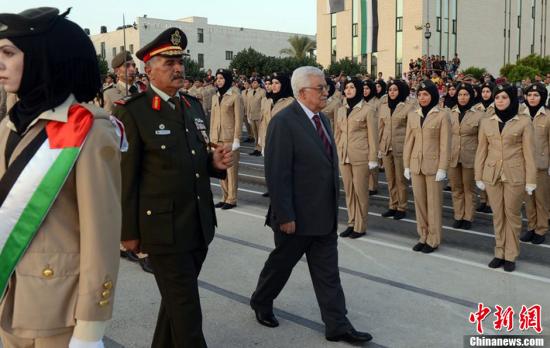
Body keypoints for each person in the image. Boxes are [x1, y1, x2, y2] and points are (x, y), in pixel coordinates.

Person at [0, 7, 123, 348]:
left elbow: (101, 236)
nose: (0, 64)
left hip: (58, 312)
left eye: (9, 53)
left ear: (43, 57)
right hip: (8, 300)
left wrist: (90, 330)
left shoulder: (90, 131)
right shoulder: (9, 125)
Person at [115, 27, 233, 347]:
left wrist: (214, 165)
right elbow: (125, 177)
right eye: (168, 62)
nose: (178, 67)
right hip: (163, 230)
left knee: (174, 304)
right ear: (148, 68)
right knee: (187, 313)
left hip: (197, 223)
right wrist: (127, 232)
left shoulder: (192, 106)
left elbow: (194, 160)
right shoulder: (132, 110)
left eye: (180, 60)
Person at [250, 66, 372, 344]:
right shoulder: (283, 122)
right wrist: (284, 214)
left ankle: (337, 324)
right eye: (321, 88)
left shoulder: (323, 120)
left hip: (324, 215)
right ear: (303, 92)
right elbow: (277, 173)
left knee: (328, 274)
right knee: (281, 265)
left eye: (326, 86)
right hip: (296, 217)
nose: (326, 91)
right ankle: (261, 300)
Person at [475, 84, 536, 272]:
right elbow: (481, 151)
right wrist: (479, 175)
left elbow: (529, 153)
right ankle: (499, 252)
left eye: (504, 97)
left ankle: (511, 255)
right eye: (497, 97)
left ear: (511, 99)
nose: (500, 101)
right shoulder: (487, 122)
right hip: (492, 174)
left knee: (512, 215)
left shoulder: (524, 122)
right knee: (498, 216)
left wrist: (531, 180)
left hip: (514, 174)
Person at [403, 80, 451, 253]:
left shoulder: (442, 115)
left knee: (433, 204)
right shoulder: (413, 114)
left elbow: (445, 144)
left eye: (426, 94)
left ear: (433, 96)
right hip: (416, 164)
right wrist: (406, 164)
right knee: (420, 203)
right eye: (420, 94)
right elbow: (409, 141)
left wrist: (442, 168)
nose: (422, 98)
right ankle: (422, 235)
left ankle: (433, 238)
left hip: (433, 166)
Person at [335, 77, 378, 239]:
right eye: (346, 88)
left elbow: (373, 136)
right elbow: (337, 134)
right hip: (344, 155)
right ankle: (351, 222)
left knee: (360, 192)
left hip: (360, 156)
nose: (348, 90)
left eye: (352, 87)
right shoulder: (341, 109)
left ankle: (360, 226)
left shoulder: (368, 109)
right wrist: (336, 152)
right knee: (349, 192)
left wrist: (373, 158)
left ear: (358, 89)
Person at [448, 83, 486, 230]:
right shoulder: (451, 113)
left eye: (466, 95)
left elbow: (483, 140)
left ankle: (468, 217)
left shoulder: (479, 115)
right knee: (456, 188)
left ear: (471, 96)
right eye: (460, 95)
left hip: (470, 157)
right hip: (453, 156)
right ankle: (458, 215)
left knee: (469, 189)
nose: (462, 98)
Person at [378, 79, 416, 220]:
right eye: (390, 90)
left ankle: (402, 206)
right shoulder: (384, 106)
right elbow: (380, 128)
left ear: (401, 91)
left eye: (395, 90)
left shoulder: (408, 107)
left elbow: (412, 130)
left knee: (401, 180)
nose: (392, 92)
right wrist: (379, 148)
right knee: (390, 179)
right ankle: (392, 205)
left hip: (401, 147)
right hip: (387, 147)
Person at [210, 68, 242, 210]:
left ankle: (232, 198)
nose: (219, 81)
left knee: (231, 170)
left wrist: (237, 139)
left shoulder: (235, 96)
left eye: (222, 78)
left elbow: (239, 119)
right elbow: (212, 119)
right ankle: (224, 197)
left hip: (229, 139)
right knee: (220, 170)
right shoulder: (215, 96)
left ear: (227, 79)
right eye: (217, 78)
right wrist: (211, 139)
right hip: (217, 139)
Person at [520, 83, 549, 245]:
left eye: (536, 95)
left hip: (541, 165)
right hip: (523, 165)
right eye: (530, 95)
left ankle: (541, 228)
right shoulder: (520, 115)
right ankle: (531, 227)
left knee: (541, 199)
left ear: (542, 97)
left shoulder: (548, 116)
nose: (532, 98)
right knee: (528, 199)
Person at [246, 77, 266, 156]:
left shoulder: (262, 91)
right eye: (252, 82)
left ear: (258, 83)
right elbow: (248, 104)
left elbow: (264, 104)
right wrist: (248, 115)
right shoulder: (250, 92)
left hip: (259, 116)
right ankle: (256, 148)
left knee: (260, 133)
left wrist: (262, 115)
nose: (253, 84)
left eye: (255, 82)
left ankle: (261, 149)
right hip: (252, 115)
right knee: (255, 134)